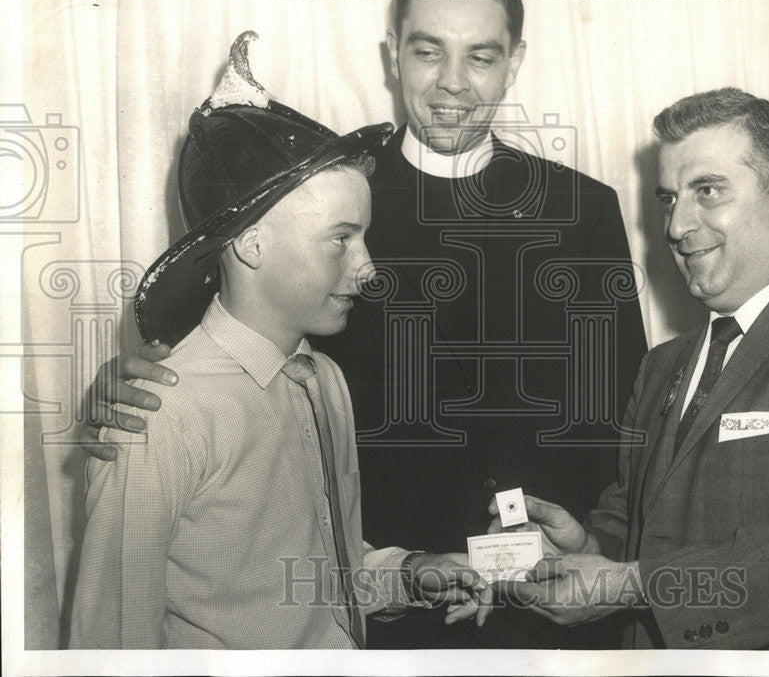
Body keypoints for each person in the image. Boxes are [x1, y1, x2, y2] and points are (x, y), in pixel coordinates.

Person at [80, 0, 648, 649]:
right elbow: (215, 360)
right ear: (392, 54)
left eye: (481, 57)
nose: (452, 83)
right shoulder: (323, 201)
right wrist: (118, 394)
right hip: (389, 616)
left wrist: (606, 547)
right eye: (428, 50)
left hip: (556, 606)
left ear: (515, 60)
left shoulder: (582, 208)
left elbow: (630, 414)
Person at [69, 33, 492, 649]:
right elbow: (108, 642)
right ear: (251, 243)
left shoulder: (324, 380)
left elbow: (315, 579)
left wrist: (410, 572)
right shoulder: (159, 415)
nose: (368, 268)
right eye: (341, 238)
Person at [490, 88, 769, 649]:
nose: (677, 225)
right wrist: (584, 548)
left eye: (707, 191)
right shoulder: (661, 366)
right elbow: (639, 523)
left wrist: (631, 584)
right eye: (668, 198)